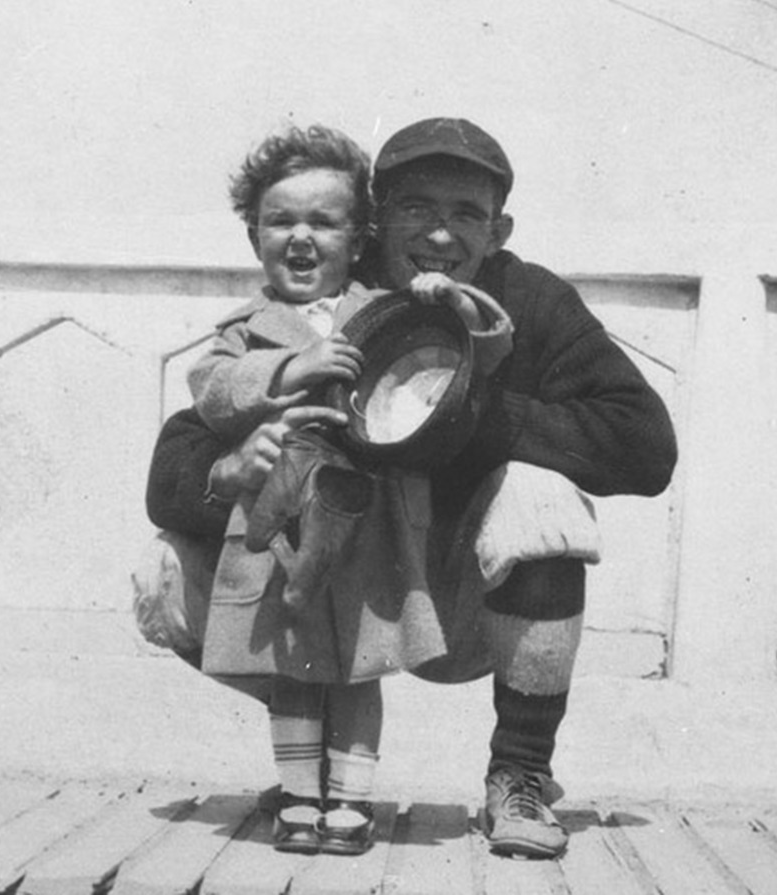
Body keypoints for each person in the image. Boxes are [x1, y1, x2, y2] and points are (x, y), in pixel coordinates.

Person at [138, 118, 677, 859]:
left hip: (456, 600)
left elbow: (645, 447)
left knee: (540, 498)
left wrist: (461, 409)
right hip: (333, 594)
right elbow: (176, 459)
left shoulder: (524, 298)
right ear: (373, 221)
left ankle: (518, 774)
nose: (441, 236)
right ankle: (315, 771)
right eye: (417, 208)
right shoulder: (328, 296)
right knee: (159, 574)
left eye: (465, 214)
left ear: (498, 229)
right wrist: (230, 469)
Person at [150, 122, 511, 856]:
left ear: (359, 236)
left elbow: (480, 354)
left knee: (357, 662)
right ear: (254, 237)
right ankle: (297, 795)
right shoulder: (246, 330)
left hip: (369, 520)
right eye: (281, 220)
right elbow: (213, 390)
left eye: (324, 220)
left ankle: (348, 799)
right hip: (278, 526)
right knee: (289, 661)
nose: (301, 237)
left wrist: (455, 302)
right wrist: (290, 370)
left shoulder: (381, 307)